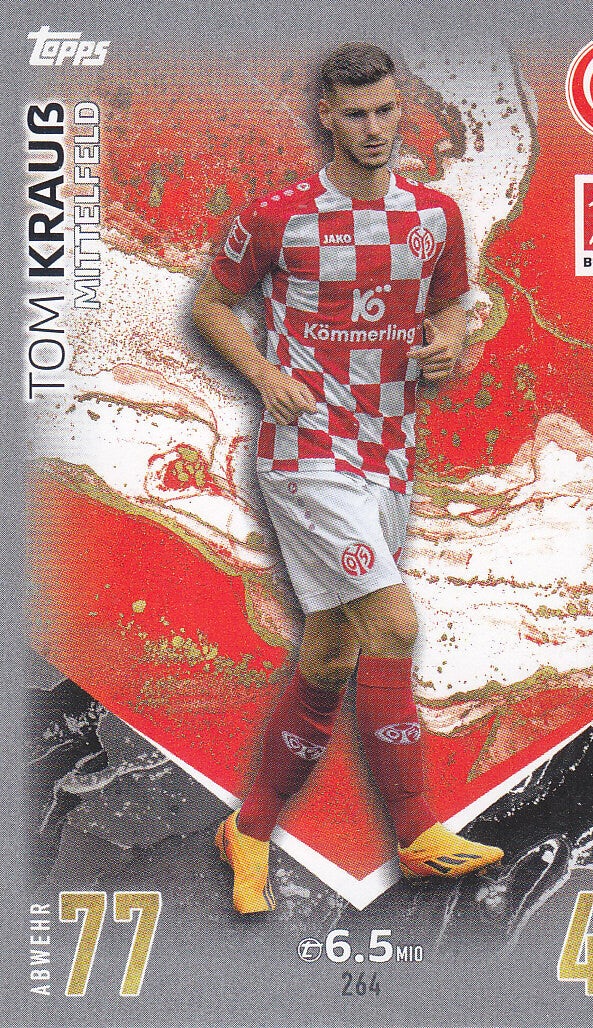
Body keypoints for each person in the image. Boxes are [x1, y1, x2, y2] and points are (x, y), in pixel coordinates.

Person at [193, 42, 503, 914]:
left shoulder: (436, 216)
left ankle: (249, 829)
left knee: (331, 652)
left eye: (386, 111)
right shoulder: (280, 217)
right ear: (326, 116)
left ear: (402, 110)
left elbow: (452, 308)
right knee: (395, 624)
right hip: (306, 455)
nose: (374, 129)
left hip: (388, 453)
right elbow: (211, 304)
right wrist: (263, 375)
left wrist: (449, 341)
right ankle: (416, 834)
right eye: (356, 114)